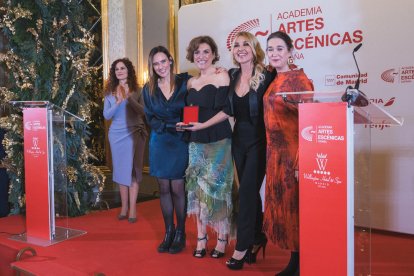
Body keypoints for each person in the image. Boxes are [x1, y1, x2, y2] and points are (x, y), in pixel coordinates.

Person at [263, 31, 314, 276]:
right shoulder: (274, 79)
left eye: (279, 48)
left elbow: (308, 122)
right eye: (270, 49)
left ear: (290, 51)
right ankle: (295, 261)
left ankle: (300, 264)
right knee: (285, 208)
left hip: (292, 154)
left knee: (295, 210)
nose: (274, 53)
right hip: (275, 156)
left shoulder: (298, 80)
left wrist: (300, 160)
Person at [178, 35, 234, 259]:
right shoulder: (190, 82)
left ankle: (221, 238)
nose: (201, 56)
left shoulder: (222, 76)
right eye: (197, 52)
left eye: (205, 52)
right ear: (192, 55)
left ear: (213, 55)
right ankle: (201, 237)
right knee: (198, 191)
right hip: (195, 142)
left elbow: (226, 111)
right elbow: (190, 112)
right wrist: (186, 124)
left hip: (219, 140)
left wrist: (203, 124)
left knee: (219, 190)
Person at [142, 46, 190, 254]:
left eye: (163, 61)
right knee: (163, 188)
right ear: (152, 67)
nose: (160, 66)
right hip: (160, 140)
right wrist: (167, 127)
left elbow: (192, 108)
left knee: (178, 188)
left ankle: (181, 232)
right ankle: (168, 231)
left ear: (170, 60)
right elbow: (149, 117)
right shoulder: (148, 88)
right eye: (156, 63)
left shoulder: (185, 83)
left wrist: (185, 126)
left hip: (180, 140)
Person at [103, 58, 147, 224]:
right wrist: (119, 102)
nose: (119, 71)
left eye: (123, 68)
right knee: (121, 171)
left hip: (133, 132)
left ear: (129, 70)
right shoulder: (109, 93)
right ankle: (124, 207)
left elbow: (143, 112)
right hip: (116, 134)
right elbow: (107, 115)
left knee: (132, 171)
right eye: (116, 69)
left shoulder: (138, 90)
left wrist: (129, 98)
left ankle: (133, 208)